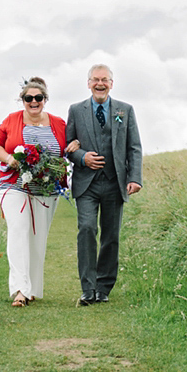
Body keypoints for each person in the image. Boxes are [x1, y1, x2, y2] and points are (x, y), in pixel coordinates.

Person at [0, 77, 78, 307]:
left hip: (46, 189)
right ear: (23, 100)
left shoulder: (58, 123)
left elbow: (69, 146)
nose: (33, 102)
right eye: (28, 98)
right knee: (18, 231)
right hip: (13, 185)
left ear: (45, 100)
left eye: (38, 98)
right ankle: (19, 289)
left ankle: (32, 290)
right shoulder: (12, 120)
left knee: (37, 239)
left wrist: (75, 145)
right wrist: (9, 159)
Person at [65, 64, 143, 306]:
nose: (100, 84)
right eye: (96, 79)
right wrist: (82, 157)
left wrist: (134, 177)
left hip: (114, 182)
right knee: (87, 230)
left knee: (111, 236)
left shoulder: (125, 110)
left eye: (105, 80)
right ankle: (87, 289)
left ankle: (104, 287)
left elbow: (134, 147)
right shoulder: (76, 110)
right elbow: (68, 146)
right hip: (86, 184)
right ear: (88, 83)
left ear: (112, 83)